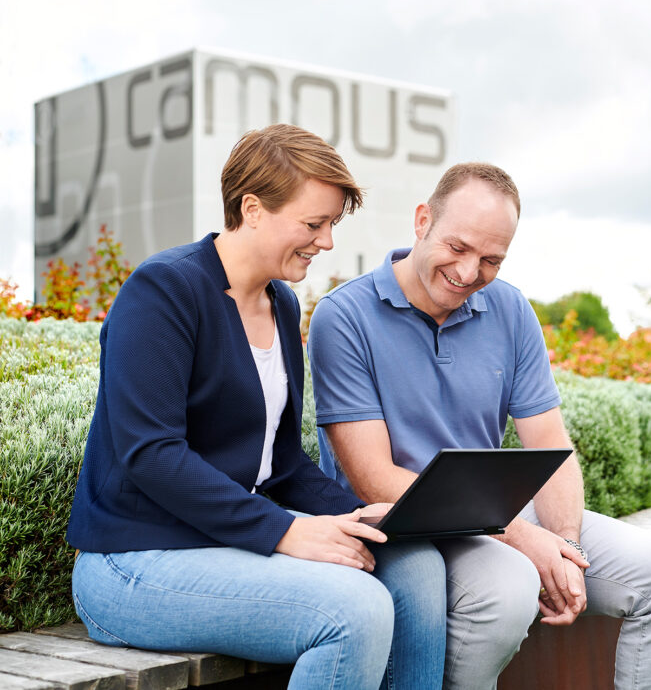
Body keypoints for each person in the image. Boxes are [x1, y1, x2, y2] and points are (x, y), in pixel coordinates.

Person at [66, 124, 446, 690]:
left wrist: (367, 517)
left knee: (416, 565)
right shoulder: (163, 292)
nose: (327, 242)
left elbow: (285, 465)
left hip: (219, 540)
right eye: (314, 224)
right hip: (133, 561)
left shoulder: (282, 303)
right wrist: (284, 532)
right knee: (353, 610)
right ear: (253, 208)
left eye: (332, 225)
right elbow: (152, 455)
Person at [307, 161, 651, 689]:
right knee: (506, 590)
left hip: (497, 520)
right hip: (407, 529)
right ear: (422, 220)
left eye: (491, 259)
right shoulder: (345, 316)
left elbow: (550, 443)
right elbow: (373, 478)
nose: (470, 273)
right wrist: (523, 539)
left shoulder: (511, 310)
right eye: (458, 248)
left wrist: (565, 548)